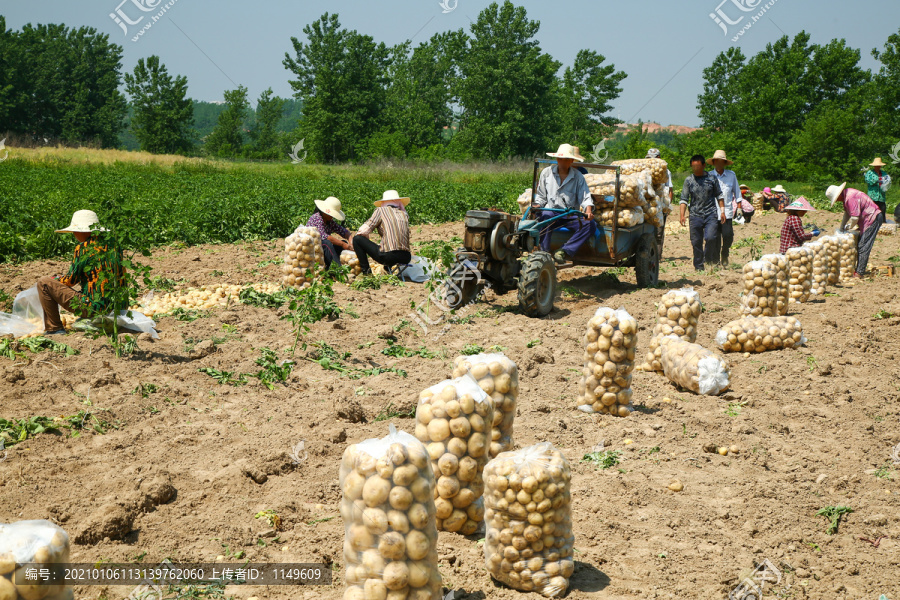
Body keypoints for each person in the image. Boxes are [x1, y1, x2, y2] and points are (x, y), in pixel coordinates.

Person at [36, 210, 124, 334]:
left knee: (43, 283)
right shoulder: (114, 245)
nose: (74, 234)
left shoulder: (84, 249)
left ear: (83, 231)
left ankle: (54, 328)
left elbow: (71, 280)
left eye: (75, 231)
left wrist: (55, 280)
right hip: (118, 306)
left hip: (96, 307)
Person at [532, 143, 595, 264]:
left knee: (590, 225)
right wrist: (537, 205)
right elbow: (541, 196)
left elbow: (585, 196)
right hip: (551, 213)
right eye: (560, 158)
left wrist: (588, 211)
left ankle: (564, 251)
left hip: (570, 215)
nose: (562, 161)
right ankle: (544, 252)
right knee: (544, 215)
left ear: (571, 160)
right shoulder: (546, 173)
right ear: (557, 159)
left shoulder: (578, 177)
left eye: (566, 159)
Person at [826, 182, 885, 277]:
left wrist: (849, 226)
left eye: (836, 199)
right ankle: (857, 269)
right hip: (867, 219)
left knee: (863, 245)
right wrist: (842, 227)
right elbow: (847, 213)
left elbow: (854, 218)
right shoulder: (847, 196)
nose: (837, 201)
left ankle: (859, 272)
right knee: (860, 243)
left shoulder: (850, 197)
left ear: (838, 196)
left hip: (873, 218)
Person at [680, 154, 726, 271]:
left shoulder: (711, 179)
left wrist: (722, 211)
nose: (695, 169)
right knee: (696, 242)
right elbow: (684, 199)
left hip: (711, 214)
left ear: (704, 166)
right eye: (693, 167)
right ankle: (699, 266)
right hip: (695, 215)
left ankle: (706, 258)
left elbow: (719, 195)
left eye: (698, 166)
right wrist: (682, 215)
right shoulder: (689, 181)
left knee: (711, 238)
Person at [353, 190, 412, 275]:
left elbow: (363, 230)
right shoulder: (404, 214)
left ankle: (366, 273)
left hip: (389, 256)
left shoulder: (380, 211)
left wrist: (362, 244)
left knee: (357, 239)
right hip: (406, 257)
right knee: (387, 246)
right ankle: (387, 270)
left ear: (384, 202)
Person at [708, 150, 740, 265]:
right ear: (714, 162)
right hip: (713, 211)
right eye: (717, 161)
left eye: (722, 161)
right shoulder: (709, 176)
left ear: (724, 163)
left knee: (728, 235)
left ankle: (725, 252)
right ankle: (716, 260)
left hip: (727, 211)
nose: (719, 163)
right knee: (715, 237)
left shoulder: (731, 175)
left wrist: (739, 206)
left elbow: (737, 191)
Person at [306, 196, 352, 269]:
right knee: (327, 243)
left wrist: (350, 241)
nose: (332, 216)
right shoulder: (317, 218)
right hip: (313, 249)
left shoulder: (329, 221)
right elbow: (325, 237)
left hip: (322, 249)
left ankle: (345, 265)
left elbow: (343, 231)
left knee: (341, 244)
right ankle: (337, 269)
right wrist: (343, 244)